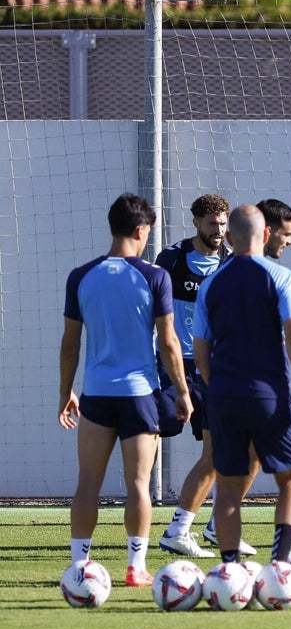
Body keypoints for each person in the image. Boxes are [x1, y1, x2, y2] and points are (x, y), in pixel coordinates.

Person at [59, 192, 193, 587]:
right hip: (140, 395)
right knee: (138, 483)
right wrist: (183, 392)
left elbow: (70, 344)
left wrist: (66, 391)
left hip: (97, 394)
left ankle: (78, 566)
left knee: (88, 482)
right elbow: (169, 343)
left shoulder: (81, 275)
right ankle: (135, 568)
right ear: (140, 230)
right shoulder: (155, 276)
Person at [193, 204, 291, 564]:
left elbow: (201, 352)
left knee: (228, 488)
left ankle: (230, 570)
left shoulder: (211, 284)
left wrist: (219, 388)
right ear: (265, 235)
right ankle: (279, 563)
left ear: (229, 238)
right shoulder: (282, 278)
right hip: (269, 396)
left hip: (224, 396)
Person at [154, 194, 250, 558]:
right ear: (195, 222)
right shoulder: (172, 258)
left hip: (214, 367)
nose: (219, 231)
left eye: (224, 224)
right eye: (213, 224)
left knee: (221, 450)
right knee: (149, 437)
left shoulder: (232, 261)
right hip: (174, 365)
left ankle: (204, 527)